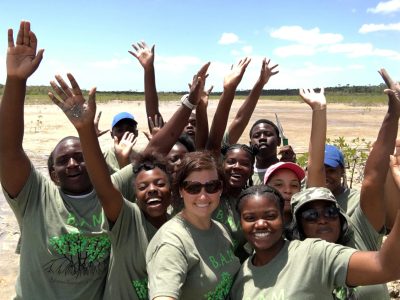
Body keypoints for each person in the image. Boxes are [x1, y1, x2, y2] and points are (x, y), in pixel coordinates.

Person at [0, 21, 110, 299]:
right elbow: (7, 149)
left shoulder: (112, 197)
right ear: (52, 173)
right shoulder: (35, 198)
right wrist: (15, 81)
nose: (72, 164)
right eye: (63, 161)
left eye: (80, 157)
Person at [230, 185, 400, 299]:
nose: (260, 224)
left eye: (270, 216)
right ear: (241, 223)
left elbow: (387, 267)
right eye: (250, 218)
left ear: (283, 219)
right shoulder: (240, 276)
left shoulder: (312, 253)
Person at [146, 151, 240, 299]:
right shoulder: (171, 242)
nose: (203, 196)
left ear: (220, 189)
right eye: (193, 188)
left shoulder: (221, 229)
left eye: (211, 186)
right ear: (181, 191)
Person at [212, 143, 256, 262]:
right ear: (222, 165)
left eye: (245, 164)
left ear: (252, 170)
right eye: (231, 161)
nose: (237, 167)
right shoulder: (209, 195)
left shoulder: (253, 203)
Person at [324, 144, 360, 216]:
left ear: (342, 171)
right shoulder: (305, 200)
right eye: (320, 171)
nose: (324, 176)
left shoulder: (356, 201)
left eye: (331, 171)